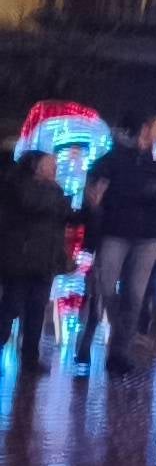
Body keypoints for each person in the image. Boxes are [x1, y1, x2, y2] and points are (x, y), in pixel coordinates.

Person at [71, 113, 156, 373]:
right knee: (104, 288)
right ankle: (90, 339)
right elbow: (98, 188)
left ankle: (120, 353)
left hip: (145, 237)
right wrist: (98, 199)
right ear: (145, 128)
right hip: (115, 232)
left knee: (135, 296)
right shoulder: (116, 159)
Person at [1, 145, 70, 373]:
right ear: (37, 167)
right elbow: (32, 203)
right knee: (11, 306)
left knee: (36, 309)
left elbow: (61, 222)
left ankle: (30, 357)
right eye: (51, 165)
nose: (55, 170)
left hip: (43, 260)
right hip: (22, 258)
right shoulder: (20, 186)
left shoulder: (54, 192)